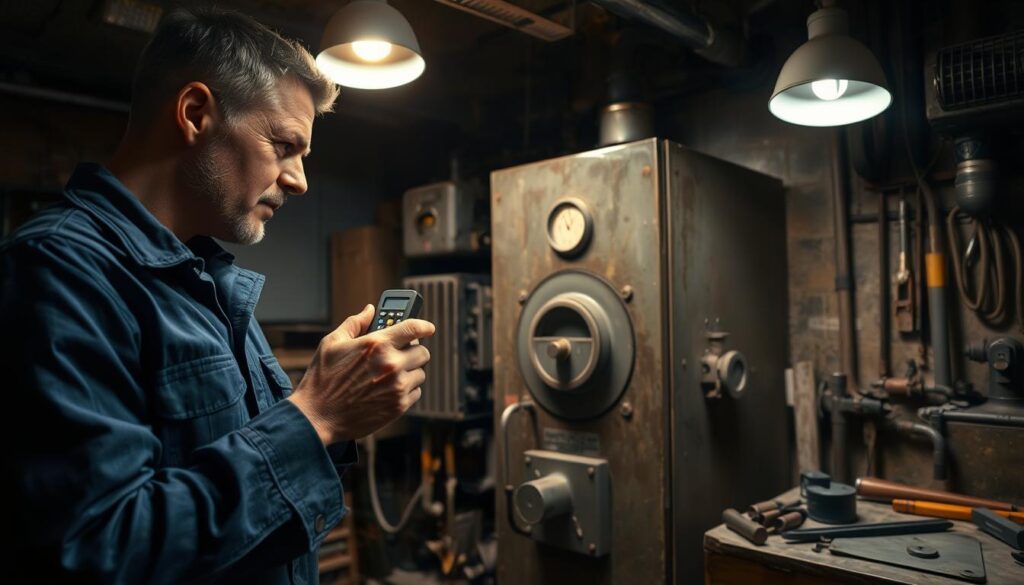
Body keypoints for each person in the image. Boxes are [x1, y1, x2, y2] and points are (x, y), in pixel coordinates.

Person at [0, 7, 434, 584]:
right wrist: (315, 418)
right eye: (284, 145)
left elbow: (255, 477)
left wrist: (340, 409)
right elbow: (101, 548)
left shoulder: (206, 279)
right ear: (195, 113)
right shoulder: (57, 270)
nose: (299, 179)